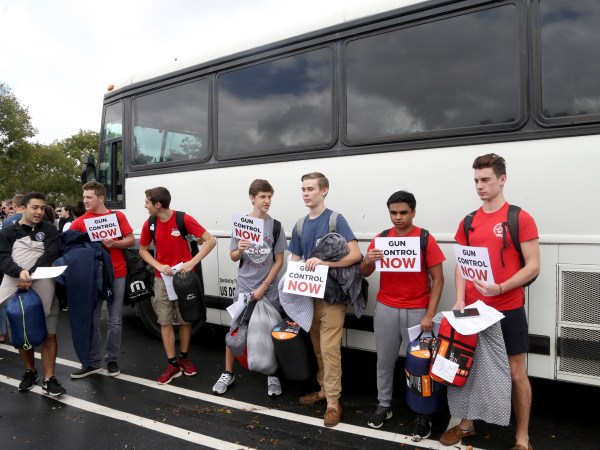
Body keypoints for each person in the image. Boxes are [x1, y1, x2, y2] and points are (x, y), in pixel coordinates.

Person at [439, 153, 540, 450]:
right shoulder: (469, 220)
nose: (480, 186)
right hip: (472, 310)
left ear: (502, 179)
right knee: (467, 367)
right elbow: (461, 263)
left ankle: (522, 437)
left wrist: (500, 287)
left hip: (507, 307)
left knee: (516, 373)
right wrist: (459, 297)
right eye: (476, 181)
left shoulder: (519, 217)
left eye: (485, 180)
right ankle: (466, 423)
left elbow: (533, 265)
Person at [360, 190, 445, 439]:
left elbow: (438, 279)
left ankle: (422, 414)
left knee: (419, 366)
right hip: (386, 308)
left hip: (418, 310)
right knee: (384, 361)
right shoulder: (382, 238)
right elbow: (364, 272)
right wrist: (368, 259)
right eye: (393, 213)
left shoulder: (425, 239)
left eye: (403, 212)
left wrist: (430, 313)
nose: (397, 217)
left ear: (413, 212)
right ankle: (384, 405)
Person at [290, 172, 362, 428]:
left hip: (331, 296)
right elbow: (295, 260)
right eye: (303, 189)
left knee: (330, 349)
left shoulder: (335, 219)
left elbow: (355, 255)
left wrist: (325, 263)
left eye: (310, 189)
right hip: (308, 297)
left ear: (324, 191)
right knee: (318, 347)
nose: (306, 193)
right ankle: (323, 390)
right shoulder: (299, 224)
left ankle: (333, 402)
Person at [212, 179, 288, 397]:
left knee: (271, 332)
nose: (267, 201)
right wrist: (241, 248)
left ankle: (272, 375)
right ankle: (228, 372)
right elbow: (233, 255)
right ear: (252, 198)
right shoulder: (242, 224)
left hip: (268, 290)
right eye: (262, 197)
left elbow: (279, 261)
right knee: (235, 329)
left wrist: (265, 286)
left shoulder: (275, 226)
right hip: (244, 287)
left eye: (269, 197)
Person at [139, 187, 216, 385]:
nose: (145, 206)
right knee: (164, 321)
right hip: (161, 280)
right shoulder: (150, 223)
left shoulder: (183, 219)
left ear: (157, 205)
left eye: (147, 202)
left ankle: (184, 358)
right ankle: (172, 364)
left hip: (184, 280)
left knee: (184, 320)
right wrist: (158, 265)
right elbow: (143, 250)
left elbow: (210, 240)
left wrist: (191, 263)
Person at [0, 192, 65, 396]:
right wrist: (19, 273)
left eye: (42, 208)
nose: (39, 212)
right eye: (34, 207)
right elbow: (2, 258)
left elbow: (50, 254)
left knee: (49, 333)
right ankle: (30, 371)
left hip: (43, 284)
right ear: (23, 208)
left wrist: (31, 275)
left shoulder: (50, 230)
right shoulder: (8, 232)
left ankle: (49, 378)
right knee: (21, 331)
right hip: (15, 285)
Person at [68, 181, 135, 378]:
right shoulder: (80, 222)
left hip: (117, 273)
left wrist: (115, 243)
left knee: (115, 320)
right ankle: (93, 362)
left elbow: (130, 240)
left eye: (89, 197)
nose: (85, 201)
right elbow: (69, 246)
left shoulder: (117, 216)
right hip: (93, 276)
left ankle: (112, 359)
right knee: (93, 319)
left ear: (101, 198)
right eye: (84, 197)